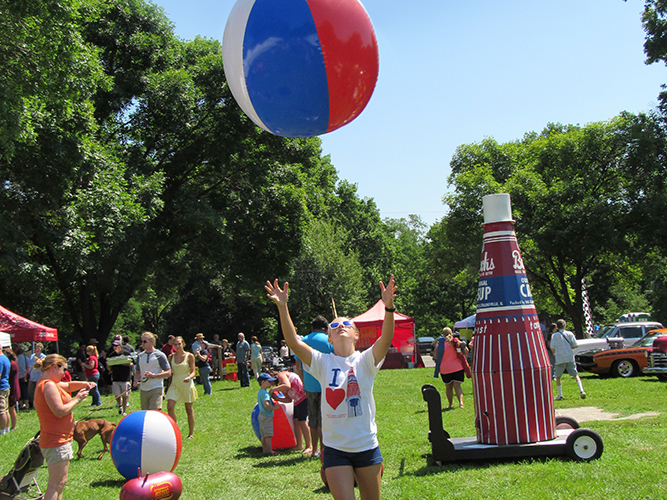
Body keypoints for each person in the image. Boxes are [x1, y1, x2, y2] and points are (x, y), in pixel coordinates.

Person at [266, 275, 396, 500]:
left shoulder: (365, 360)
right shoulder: (322, 362)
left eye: (347, 324)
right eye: (335, 325)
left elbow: (385, 339)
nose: (341, 326)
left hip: (366, 446)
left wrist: (389, 307)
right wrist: (283, 306)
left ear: (356, 334)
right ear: (329, 336)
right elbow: (294, 342)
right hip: (335, 449)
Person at [34, 354, 95, 500]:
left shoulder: (50, 383)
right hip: (56, 440)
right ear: (55, 367)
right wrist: (77, 399)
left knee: (60, 483)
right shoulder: (48, 385)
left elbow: (68, 386)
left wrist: (85, 384)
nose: (65, 374)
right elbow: (59, 411)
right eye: (64, 369)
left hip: (58, 439)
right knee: (56, 484)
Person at [295, 315, 334, 458]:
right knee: (323, 418)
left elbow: (298, 365)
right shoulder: (329, 341)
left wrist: (303, 381)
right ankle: (324, 449)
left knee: (312, 418)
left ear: (312, 327)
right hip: (326, 384)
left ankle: (314, 449)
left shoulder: (303, 341)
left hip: (310, 385)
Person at [270, 368, 311, 454]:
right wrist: (277, 398)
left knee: (302, 422)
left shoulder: (282, 375)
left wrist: (274, 390)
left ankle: (309, 446)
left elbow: (287, 386)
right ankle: (299, 445)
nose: (271, 384)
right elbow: (288, 399)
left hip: (303, 398)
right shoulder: (280, 385)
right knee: (295, 421)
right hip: (296, 401)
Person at [166, 336, 197, 439]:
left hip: (186, 383)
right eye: (175, 344)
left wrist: (189, 377)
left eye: (179, 344)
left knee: (188, 409)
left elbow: (193, 371)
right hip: (175, 383)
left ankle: (191, 433)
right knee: (170, 407)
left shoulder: (189, 356)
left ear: (183, 344)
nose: (177, 346)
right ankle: (174, 430)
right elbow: (169, 371)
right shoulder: (171, 357)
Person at [433, 327, 469, 409]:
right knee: (457, 386)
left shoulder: (440, 343)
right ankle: (461, 403)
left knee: (448, 387)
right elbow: (466, 350)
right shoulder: (456, 341)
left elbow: (435, 355)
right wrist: (462, 358)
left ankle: (450, 404)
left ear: (443, 334)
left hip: (445, 368)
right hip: (457, 367)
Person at [134, 332, 172, 410]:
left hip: (156, 387)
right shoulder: (140, 356)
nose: (142, 343)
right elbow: (138, 372)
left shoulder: (159, 355)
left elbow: (168, 372)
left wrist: (153, 376)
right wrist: (135, 380)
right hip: (144, 389)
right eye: (142, 341)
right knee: (146, 414)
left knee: (155, 413)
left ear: (152, 342)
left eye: (145, 341)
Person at [550, 319, 586, 400]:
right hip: (569, 356)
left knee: (558, 376)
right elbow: (575, 345)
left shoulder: (554, 336)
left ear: (557, 327)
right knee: (575, 375)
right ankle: (581, 390)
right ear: (565, 325)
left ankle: (560, 394)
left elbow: (552, 348)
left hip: (560, 357)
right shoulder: (570, 334)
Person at [107, 339, 132, 416]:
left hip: (125, 378)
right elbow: (109, 366)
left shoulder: (126, 353)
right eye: (114, 346)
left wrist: (122, 363)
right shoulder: (112, 355)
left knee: (125, 395)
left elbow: (131, 363)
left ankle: (124, 411)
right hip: (115, 377)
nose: (115, 347)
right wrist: (108, 366)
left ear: (120, 346)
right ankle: (120, 406)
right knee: (117, 394)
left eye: (116, 346)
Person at [256, 372, 278, 455]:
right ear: (263, 382)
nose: (271, 383)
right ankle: (269, 450)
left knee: (263, 434)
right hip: (267, 415)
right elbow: (266, 404)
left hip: (261, 414)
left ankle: (265, 449)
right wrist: (274, 408)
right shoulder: (265, 394)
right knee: (268, 434)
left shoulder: (260, 392)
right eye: (269, 382)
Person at [26, 342, 46, 409]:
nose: (37, 349)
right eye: (36, 347)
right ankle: (33, 404)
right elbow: (29, 366)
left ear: (41, 348)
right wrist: (26, 375)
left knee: (39, 392)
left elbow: (44, 367)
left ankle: (39, 405)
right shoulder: (32, 356)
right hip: (32, 377)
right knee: (31, 392)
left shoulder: (43, 357)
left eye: (38, 348)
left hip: (39, 377)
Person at [4, 348, 20, 431]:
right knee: (10, 408)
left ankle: (13, 426)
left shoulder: (12, 364)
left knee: (11, 408)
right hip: (14, 387)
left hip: (12, 388)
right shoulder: (14, 363)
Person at [15, 345, 30, 410]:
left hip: (18, 377)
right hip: (24, 376)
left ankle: (21, 405)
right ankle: (27, 404)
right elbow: (28, 367)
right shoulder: (25, 358)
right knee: (25, 390)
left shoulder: (16, 359)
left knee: (19, 390)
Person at [0, 347, 10, 434]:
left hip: (1, 387)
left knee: (1, 410)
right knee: (6, 409)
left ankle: (2, 431)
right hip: (6, 386)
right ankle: (7, 428)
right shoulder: (5, 358)